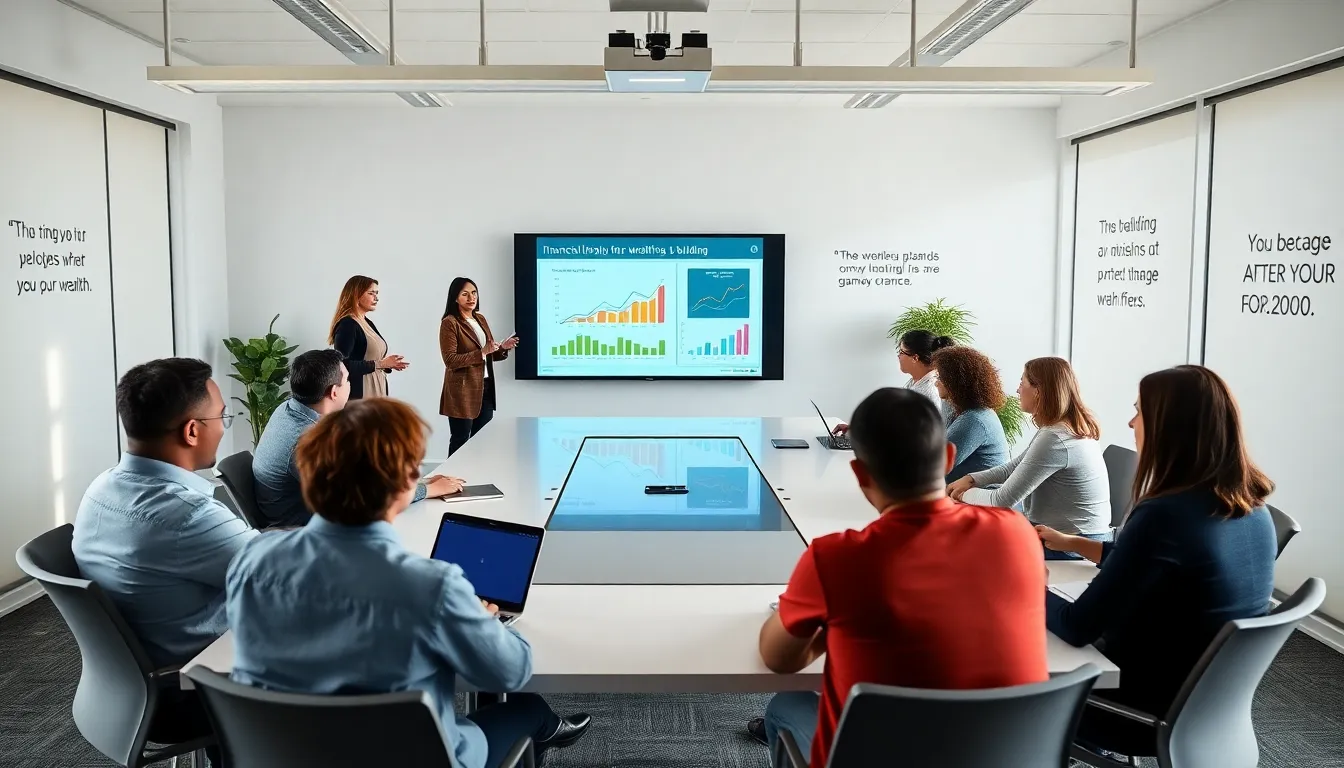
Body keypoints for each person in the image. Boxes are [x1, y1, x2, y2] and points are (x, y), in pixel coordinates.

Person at [227, 398, 591, 768]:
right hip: (408, 757)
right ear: (405, 482)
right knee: (528, 710)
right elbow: (512, 671)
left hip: (283, 756)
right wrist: (481, 620)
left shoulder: (252, 562)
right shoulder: (433, 587)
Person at [749, 387, 1048, 767]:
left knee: (786, 705)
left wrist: (838, 621)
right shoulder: (1017, 534)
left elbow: (778, 659)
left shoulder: (836, 558)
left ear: (859, 472)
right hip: (1005, 755)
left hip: (881, 755)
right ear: (948, 458)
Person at [1037, 365, 1276, 760]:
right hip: (1203, 712)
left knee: (1002, 671)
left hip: (1130, 712)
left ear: (1170, 427)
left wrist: (1027, 584)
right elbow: (1162, 569)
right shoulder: (1253, 510)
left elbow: (1077, 627)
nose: (1131, 422)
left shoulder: (1164, 515)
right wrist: (1079, 544)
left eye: (1139, 411)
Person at [73, 357, 256, 766]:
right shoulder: (184, 514)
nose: (225, 426)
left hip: (128, 688)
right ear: (192, 431)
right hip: (194, 689)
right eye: (222, 416)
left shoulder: (101, 488)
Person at [252, 349, 466, 528]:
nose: (350, 384)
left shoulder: (290, 409)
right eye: (347, 380)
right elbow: (357, 500)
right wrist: (429, 490)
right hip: (302, 529)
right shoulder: (305, 441)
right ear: (334, 392)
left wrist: (417, 482)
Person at [948, 356, 1111, 558]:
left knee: (969, 546)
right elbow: (1014, 467)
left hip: (1070, 545)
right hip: (1079, 536)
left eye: (1021, 383)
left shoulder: (1055, 438)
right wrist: (971, 479)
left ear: (1038, 391)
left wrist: (960, 495)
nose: (1017, 390)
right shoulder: (1063, 427)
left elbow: (1002, 500)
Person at [440, 276, 518, 456]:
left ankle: (474, 477)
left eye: (474, 293)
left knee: (481, 440)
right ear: (455, 298)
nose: (471, 298)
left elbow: (487, 354)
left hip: (486, 386)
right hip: (463, 390)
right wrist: (482, 352)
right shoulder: (450, 323)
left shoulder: (480, 319)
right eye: (465, 294)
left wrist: (502, 348)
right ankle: (452, 479)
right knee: (461, 439)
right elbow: (450, 360)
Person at [832, 329, 953, 434]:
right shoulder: (915, 382)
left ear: (915, 358)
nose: (898, 356)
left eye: (901, 352)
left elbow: (917, 437)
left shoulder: (930, 392)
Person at [932, 346, 1010, 484]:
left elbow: (932, 468)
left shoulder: (974, 420)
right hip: (962, 495)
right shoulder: (957, 407)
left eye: (940, 377)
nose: (935, 382)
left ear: (955, 382)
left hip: (980, 500)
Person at [329, 275, 407, 400]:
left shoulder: (367, 322)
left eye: (377, 293)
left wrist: (387, 364)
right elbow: (342, 364)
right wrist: (380, 363)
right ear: (356, 296)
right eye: (371, 293)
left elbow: (369, 359)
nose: (376, 298)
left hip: (377, 390)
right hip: (361, 395)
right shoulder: (348, 325)